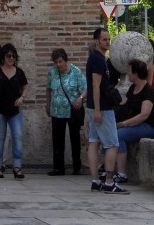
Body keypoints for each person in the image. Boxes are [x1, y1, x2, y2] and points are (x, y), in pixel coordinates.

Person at [86, 26, 128, 194]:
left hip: (95, 107)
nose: (107, 42)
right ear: (96, 41)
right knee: (112, 144)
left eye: (108, 39)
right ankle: (109, 183)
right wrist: (97, 109)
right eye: (104, 39)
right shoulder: (97, 59)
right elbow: (96, 85)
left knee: (94, 142)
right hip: (102, 108)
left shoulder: (96, 58)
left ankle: (96, 181)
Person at [0, 42, 28, 179]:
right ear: (3, 57)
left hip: (15, 110)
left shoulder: (19, 72)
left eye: (13, 56)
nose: (11, 58)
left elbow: (25, 86)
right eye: (8, 56)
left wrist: (22, 98)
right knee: (0, 137)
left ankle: (17, 167)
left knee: (17, 136)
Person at [113, 58, 154, 183]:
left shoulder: (148, 92)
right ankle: (107, 167)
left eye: (129, 71)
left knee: (119, 135)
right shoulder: (132, 88)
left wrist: (123, 124)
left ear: (136, 74)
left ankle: (121, 174)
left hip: (149, 126)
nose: (128, 73)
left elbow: (143, 115)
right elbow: (125, 104)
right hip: (135, 124)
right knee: (110, 133)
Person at [45, 47, 87, 176]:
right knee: (57, 140)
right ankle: (58, 168)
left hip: (72, 111)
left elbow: (86, 88)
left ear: (65, 60)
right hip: (56, 111)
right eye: (56, 62)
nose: (58, 64)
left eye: (60, 62)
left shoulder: (75, 72)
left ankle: (77, 167)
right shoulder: (52, 72)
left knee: (75, 139)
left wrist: (80, 99)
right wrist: (47, 104)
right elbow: (48, 89)